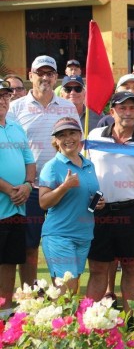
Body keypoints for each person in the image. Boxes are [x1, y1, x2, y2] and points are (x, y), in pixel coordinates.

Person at [86, 91, 134, 314]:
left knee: (131, 269)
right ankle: (89, 324)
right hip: (99, 212)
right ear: (112, 112)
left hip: (133, 212)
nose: (128, 112)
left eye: (132, 108)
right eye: (122, 108)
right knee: (98, 268)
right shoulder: (95, 135)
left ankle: (130, 322)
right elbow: (86, 172)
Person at [8, 55, 79, 287]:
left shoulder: (68, 106)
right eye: (40, 73)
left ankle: (60, 293)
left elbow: (78, 143)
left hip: (62, 187)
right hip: (31, 188)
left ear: (56, 77)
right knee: (29, 246)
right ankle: (31, 294)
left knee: (61, 243)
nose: (45, 78)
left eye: (50, 73)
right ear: (31, 76)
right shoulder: (16, 108)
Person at [38, 117, 104, 293]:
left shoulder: (89, 164)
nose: (68, 138)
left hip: (84, 235)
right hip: (59, 235)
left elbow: (88, 195)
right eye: (62, 135)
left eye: (72, 133)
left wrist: (98, 203)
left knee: (70, 292)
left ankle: (59, 320)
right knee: (67, 289)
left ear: (80, 136)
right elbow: (43, 202)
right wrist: (64, 187)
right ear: (56, 141)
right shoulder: (51, 167)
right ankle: (54, 320)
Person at [0, 81, 35, 319]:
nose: (3, 100)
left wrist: (27, 185)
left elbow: (29, 161)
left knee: (10, 261)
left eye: (6, 96)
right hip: (6, 203)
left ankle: (5, 310)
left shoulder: (15, 126)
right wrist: (10, 189)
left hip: (16, 208)